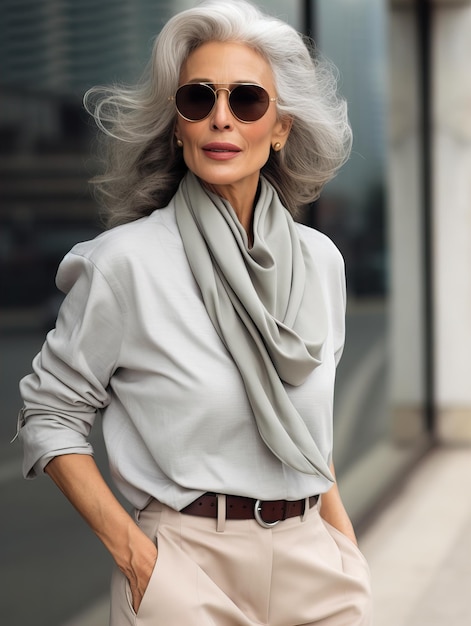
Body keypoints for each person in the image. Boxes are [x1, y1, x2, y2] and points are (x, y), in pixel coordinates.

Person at [16, 1, 372, 624]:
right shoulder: (124, 263)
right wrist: (138, 560)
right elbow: (50, 415)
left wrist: (346, 551)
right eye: (199, 99)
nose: (221, 119)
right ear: (178, 126)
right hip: (185, 569)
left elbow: (310, 436)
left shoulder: (322, 263)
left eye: (247, 101)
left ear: (282, 127)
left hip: (315, 562)